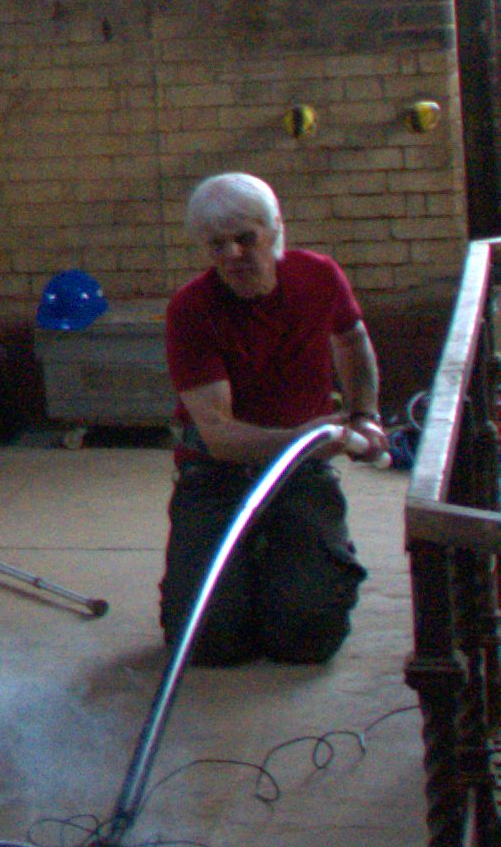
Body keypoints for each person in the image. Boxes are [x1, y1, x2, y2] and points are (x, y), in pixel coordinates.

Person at [160, 171, 390, 668]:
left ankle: (284, 561)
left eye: (245, 239)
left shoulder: (318, 276)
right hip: (217, 473)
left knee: (307, 637)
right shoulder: (191, 309)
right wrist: (300, 440)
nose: (232, 256)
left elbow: (352, 341)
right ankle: (247, 567)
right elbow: (219, 435)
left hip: (298, 471)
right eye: (216, 245)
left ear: (275, 229)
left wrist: (364, 414)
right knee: (208, 643)